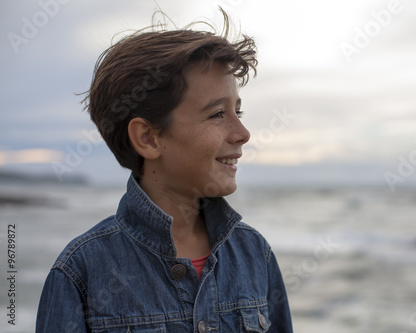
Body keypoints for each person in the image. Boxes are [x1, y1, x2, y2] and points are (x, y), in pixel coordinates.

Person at [35, 10, 293, 333]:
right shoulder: (79, 274)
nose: (243, 133)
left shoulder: (256, 255)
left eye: (237, 110)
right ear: (148, 138)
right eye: (217, 114)